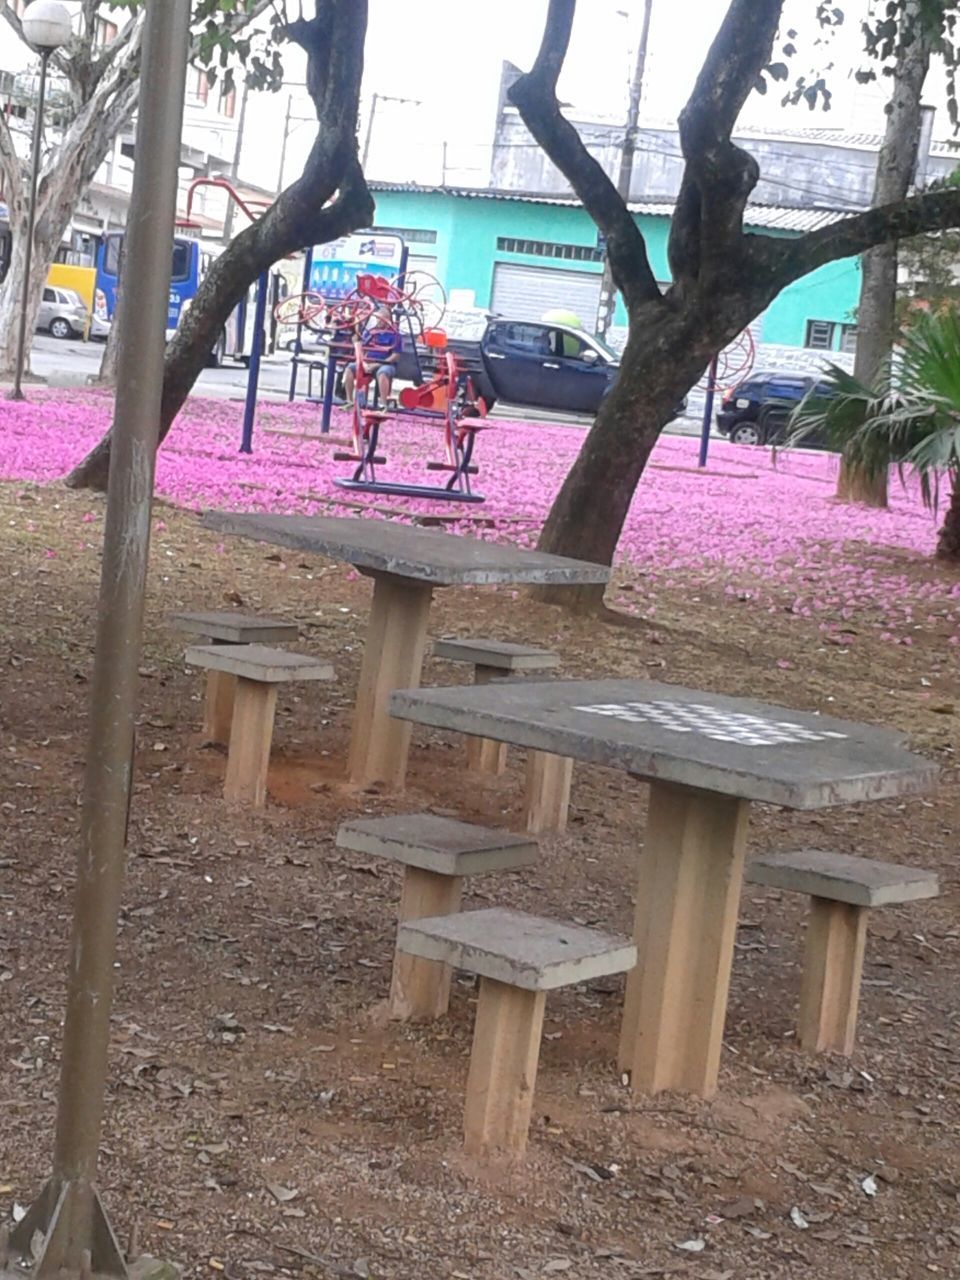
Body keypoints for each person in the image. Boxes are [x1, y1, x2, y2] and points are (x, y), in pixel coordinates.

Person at [343, 305, 401, 407]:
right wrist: (363, 362)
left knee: (383, 372)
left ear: (387, 320)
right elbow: (362, 348)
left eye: (381, 319)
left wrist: (378, 364)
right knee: (349, 369)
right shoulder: (371, 332)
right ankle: (349, 401)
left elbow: (395, 356)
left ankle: (383, 404)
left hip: (385, 364)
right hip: (368, 362)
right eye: (377, 319)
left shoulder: (395, 335)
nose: (378, 321)